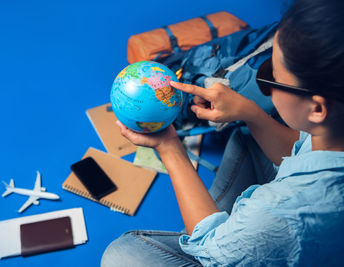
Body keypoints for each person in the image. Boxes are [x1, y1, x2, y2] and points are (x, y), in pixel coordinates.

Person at [101, 0, 344, 265]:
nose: (263, 83)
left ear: (317, 108)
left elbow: (211, 249)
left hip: (272, 233)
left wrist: (170, 149)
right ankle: (221, 224)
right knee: (247, 136)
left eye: (269, 76)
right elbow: (299, 152)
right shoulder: (332, 134)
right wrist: (250, 111)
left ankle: (224, 229)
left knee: (122, 255)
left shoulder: (281, 213)